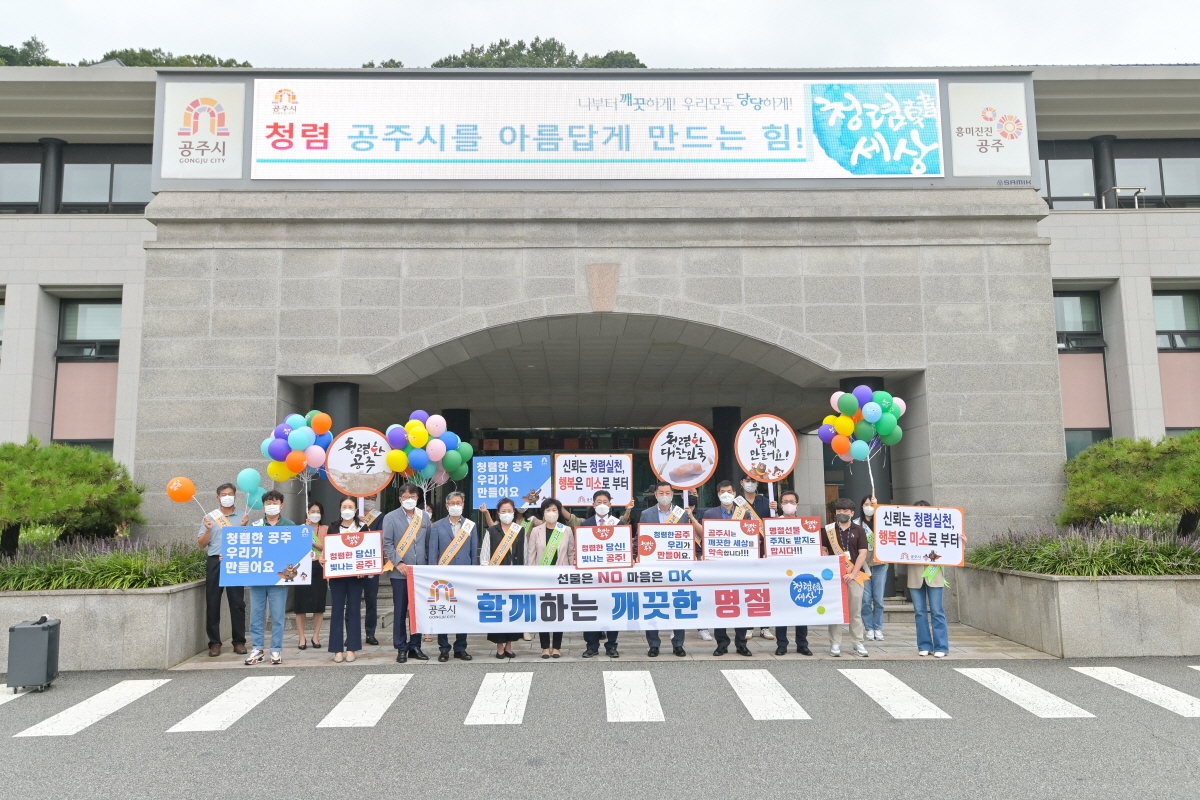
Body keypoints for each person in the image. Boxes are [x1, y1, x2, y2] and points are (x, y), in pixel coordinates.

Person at [636, 480, 702, 657]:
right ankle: (653, 644)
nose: (664, 496)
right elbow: (640, 538)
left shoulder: (682, 514)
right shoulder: (646, 514)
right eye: (661, 493)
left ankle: (678, 644)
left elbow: (689, 539)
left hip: (676, 567)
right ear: (656, 495)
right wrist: (638, 555)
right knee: (652, 605)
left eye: (667, 493)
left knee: (677, 605)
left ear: (672, 494)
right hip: (653, 567)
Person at [197, 483, 249, 657]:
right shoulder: (209, 517)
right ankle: (214, 643)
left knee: (237, 603)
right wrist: (208, 530)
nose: (227, 497)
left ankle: (239, 642)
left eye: (230, 494)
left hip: (235, 562)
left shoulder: (243, 516)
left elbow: (249, 542)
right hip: (215, 562)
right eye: (224, 494)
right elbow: (201, 544)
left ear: (235, 496)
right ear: (218, 497)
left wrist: (244, 527)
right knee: (213, 603)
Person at [702, 480, 752, 657]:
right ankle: (721, 643)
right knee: (720, 604)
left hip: (739, 567)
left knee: (741, 605)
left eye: (729, 491)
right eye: (723, 491)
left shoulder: (744, 514)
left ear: (735, 493)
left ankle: (741, 643)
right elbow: (705, 538)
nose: (726, 494)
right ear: (718, 494)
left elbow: (750, 539)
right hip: (718, 568)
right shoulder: (710, 514)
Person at [382, 483, 431, 663]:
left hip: (420, 572)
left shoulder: (423, 516)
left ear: (417, 498)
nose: (409, 499)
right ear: (400, 499)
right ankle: (401, 647)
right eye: (406, 497)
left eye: (413, 496)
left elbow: (428, 543)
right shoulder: (390, 517)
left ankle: (415, 646)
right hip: (400, 573)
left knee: (417, 611)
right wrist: (399, 562)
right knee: (400, 610)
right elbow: (387, 543)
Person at [245, 490, 294, 666]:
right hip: (258, 577)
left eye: (275, 502)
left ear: (282, 505)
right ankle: (257, 649)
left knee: (278, 616)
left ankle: (276, 650)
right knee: (256, 615)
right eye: (268, 503)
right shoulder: (256, 526)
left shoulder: (290, 525)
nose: (271, 506)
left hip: (279, 579)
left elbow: (297, 550)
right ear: (263, 506)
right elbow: (245, 548)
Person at [427, 491, 477, 662]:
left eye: (459, 502)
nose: (456, 505)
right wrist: (432, 573)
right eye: (452, 503)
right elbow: (433, 552)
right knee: (443, 611)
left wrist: (473, 574)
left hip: (464, 575)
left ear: (463, 505)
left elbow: (473, 553)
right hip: (443, 576)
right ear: (447, 506)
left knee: (462, 612)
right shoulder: (437, 526)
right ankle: (444, 648)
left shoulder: (470, 525)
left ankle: (460, 647)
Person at [822, 497, 871, 657]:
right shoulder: (828, 530)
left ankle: (858, 643)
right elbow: (823, 549)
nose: (842, 513)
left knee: (855, 611)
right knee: (835, 610)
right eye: (839, 510)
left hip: (855, 576)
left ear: (852, 513)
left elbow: (862, 553)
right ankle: (835, 643)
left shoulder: (859, 530)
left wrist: (852, 572)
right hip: (834, 577)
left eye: (845, 510)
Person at [525, 497, 573, 658]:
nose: (551, 513)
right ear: (543, 513)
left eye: (554, 510)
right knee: (543, 611)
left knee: (559, 612)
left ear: (559, 513)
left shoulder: (566, 530)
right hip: (542, 577)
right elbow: (531, 555)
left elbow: (571, 553)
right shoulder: (536, 531)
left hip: (560, 577)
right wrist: (532, 576)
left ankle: (557, 647)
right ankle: (545, 647)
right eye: (548, 510)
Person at [324, 496, 369, 663]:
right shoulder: (333, 528)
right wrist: (324, 560)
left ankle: (352, 647)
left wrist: (364, 569)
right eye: (344, 507)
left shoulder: (363, 527)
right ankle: (337, 649)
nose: (347, 510)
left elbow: (368, 550)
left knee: (354, 610)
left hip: (356, 577)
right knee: (336, 610)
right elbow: (328, 550)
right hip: (337, 576)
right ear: (340, 509)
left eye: (350, 507)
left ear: (356, 509)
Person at [480, 497, 525, 659]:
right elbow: (485, 557)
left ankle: (509, 645)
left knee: (513, 611)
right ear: (498, 513)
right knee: (498, 612)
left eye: (509, 511)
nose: (507, 513)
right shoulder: (492, 531)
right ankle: (499, 646)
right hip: (496, 579)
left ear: (514, 512)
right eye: (503, 511)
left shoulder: (519, 530)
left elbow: (525, 555)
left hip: (515, 578)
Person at [580, 490, 623, 659]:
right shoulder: (586, 525)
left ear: (610, 504)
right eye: (599, 502)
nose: (602, 505)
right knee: (591, 610)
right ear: (593, 504)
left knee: (612, 610)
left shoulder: (618, 524)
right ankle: (591, 646)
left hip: (612, 576)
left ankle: (611, 645)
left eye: (605, 501)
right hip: (592, 576)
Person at [773, 490, 813, 656]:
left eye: (792, 501)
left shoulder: (805, 525)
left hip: (801, 573)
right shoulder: (774, 524)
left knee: (801, 608)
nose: (788, 504)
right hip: (780, 574)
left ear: (797, 505)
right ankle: (781, 643)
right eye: (785, 502)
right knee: (781, 610)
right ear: (781, 505)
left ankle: (802, 643)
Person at [738, 474, 777, 641]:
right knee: (748, 589)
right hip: (745, 551)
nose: (750, 484)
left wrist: (776, 510)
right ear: (741, 483)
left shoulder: (767, 502)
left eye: (753, 481)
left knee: (764, 589)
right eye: (747, 481)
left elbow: (774, 525)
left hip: (763, 551)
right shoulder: (736, 502)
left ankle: (764, 626)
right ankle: (748, 626)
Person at [908, 499, 949, 657]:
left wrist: (962, 543)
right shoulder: (906, 530)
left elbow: (952, 550)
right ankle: (924, 645)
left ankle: (941, 647)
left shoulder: (940, 529)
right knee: (919, 612)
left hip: (934, 575)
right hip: (914, 575)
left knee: (937, 611)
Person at [292, 500, 327, 650]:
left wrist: (312, 538)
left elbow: (327, 546)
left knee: (319, 605)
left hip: (320, 567)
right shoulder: (300, 529)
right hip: (302, 568)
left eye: (318, 512)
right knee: (301, 604)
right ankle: (301, 637)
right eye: (312, 511)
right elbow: (295, 547)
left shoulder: (326, 528)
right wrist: (305, 531)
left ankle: (315, 636)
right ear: (307, 513)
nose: (315, 514)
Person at [858, 494, 887, 642]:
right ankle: (869, 628)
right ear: (862, 506)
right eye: (866, 504)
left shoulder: (882, 522)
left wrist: (878, 507)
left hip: (880, 565)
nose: (868, 507)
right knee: (865, 600)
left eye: (871, 504)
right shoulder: (857, 524)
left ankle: (878, 627)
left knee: (879, 599)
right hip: (864, 566)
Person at [360, 494, 383, 646]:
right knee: (353, 602)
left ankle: (370, 633)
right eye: (368, 497)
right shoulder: (352, 515)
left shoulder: (379, 517)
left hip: (371, 562)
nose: (370, 500)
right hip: (354, 563)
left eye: (373, 498)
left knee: (371, 600)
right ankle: (352, 634)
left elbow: (381, 537)